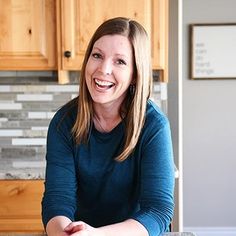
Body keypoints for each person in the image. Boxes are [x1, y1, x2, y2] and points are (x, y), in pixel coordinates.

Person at [41, 17, 175, 236]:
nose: (103, 69)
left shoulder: (154, 126)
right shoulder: (64, 123)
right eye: (97, 55)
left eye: (120, 61)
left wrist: (96, 234)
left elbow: (158, 211)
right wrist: (66, 233)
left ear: (135, 75)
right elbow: (57, 202)